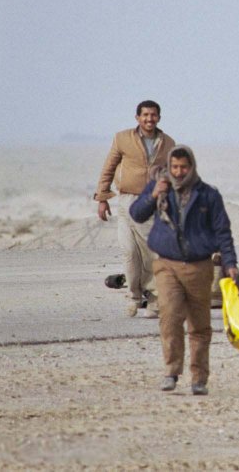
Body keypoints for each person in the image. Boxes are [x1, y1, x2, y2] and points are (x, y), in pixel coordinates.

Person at [130, 145, 237, 396]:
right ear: (169, 166)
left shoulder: (208, 195)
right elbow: (136, 213)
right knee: (170, 317)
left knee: (199, 326)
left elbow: (223, 231)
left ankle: (199, 378)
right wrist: (152, 195)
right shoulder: (159, 187)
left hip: (199, 266)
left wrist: (230, 263)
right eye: (174, 167)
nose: (178, 172)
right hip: (166, 264)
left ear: (192, 167)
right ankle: (171, 371)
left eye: (184, 167)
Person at [94, 100, 176, 318]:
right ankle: (134, 295)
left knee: (150, 253)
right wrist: (102, 198)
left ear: (159, 117)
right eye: (145, 115)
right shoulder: (122, 138)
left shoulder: (168, 143)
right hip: (125, 200)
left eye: (153, 115)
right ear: (137, 117)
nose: (149, 119)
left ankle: (154, 298)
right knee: (129, 251)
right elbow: (109, 167)